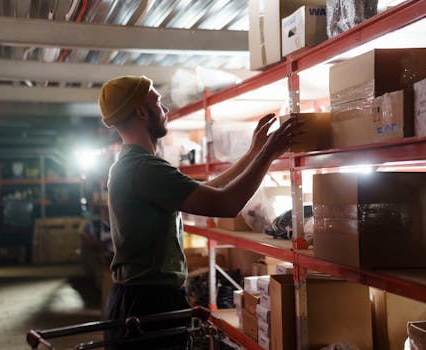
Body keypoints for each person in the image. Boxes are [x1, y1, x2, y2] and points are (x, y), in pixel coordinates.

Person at [98, 75, 301, 349]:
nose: (165, 109)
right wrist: (268, 154)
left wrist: (254, 152)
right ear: (141, 112)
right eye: (157, 101)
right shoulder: (143, 169)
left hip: (141, 298)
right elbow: (225, 205)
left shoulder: (134, 165)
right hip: (149, 303)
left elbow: (209, 190)